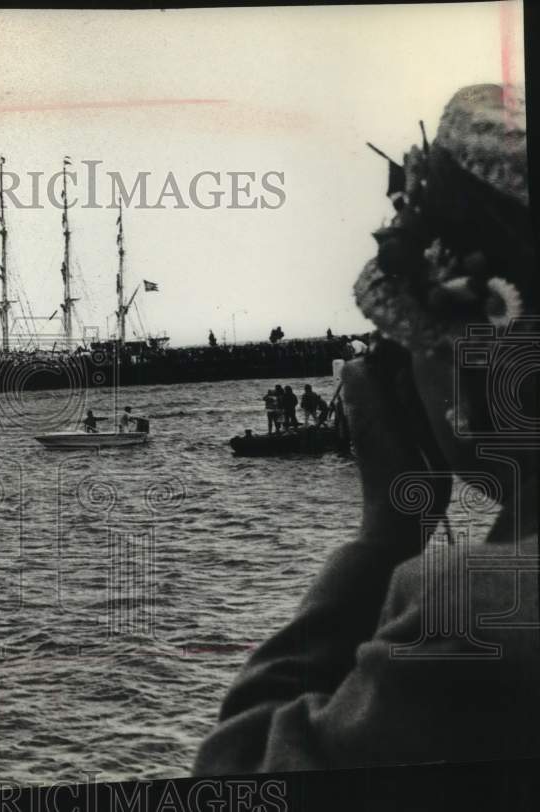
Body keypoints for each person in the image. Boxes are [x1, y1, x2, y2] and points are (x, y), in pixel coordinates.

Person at [193, 85, 539, 776]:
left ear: (462, 369)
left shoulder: (475, 607)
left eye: (409, 339)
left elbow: (235, 773)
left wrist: (386, 529)